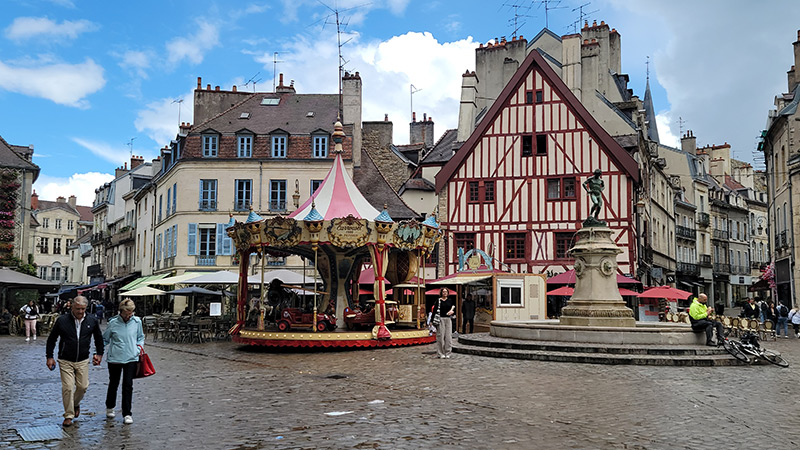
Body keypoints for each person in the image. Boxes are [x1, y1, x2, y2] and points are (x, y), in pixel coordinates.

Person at [45, 296, 104, 427]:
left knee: (83, 387)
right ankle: (68, 415)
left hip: (83, 359)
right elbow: (52, 339)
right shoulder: (62, 321)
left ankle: (75, 403)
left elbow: (99, 339)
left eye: (83, 309)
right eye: (78, 309)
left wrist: (99, 354)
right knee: (68, 388)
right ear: (72, 307)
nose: (80, 311)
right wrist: (49, 356)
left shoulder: (92, 320)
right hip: (65, 359)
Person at [103, 298, 144, 425]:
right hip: (115, 358)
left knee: (128, 385)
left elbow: (140, 337)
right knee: (114, 383)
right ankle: (110, 406)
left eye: (131, 312)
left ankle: (127, 413)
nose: (129, 315)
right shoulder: (113, 323)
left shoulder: (137, 322)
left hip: (131, 357)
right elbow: (105, 339)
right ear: (121, 311)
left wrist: (138, 348)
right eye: (126, 313)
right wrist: (97, 352)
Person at [434, 288, 456, 358]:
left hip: (448, 319)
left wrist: (452, 312)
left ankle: (448, 352)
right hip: (441, 319)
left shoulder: (450, 300)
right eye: (443, 292)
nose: (445, 293)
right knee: (440, 336)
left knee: (448, 336)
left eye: (446, 292)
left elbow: (453, 309)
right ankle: (440, 353)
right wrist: (432, 321)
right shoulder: (438, 300)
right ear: (441, 293)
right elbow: (434, 311)